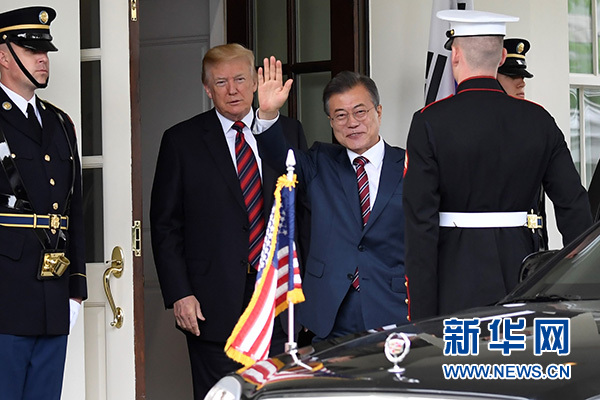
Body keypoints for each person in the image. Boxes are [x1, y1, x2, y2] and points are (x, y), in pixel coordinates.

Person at [403, 9, 593, 322]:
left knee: (465, 356)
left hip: (456, 281)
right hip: (526, 274)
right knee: (520, 353)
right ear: (502, 55)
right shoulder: (539, 120)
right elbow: (573, 206)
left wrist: (422, 316)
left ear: (455, 55)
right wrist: (580, 291)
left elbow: (420, 225)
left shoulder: (429, 122)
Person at [150, 43, 308, 400]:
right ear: (207, 89)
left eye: (240, 79)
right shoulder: (181, 141)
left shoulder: (288, 132)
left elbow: (304, 213)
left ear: (254, 83)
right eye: (221, 82)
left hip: (277, 298)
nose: (232, 90)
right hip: (211, 303)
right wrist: (180, 293)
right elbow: (165, 225)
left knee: (276, 394)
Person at [254, 57, 408, 342]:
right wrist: (267, 113)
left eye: (360, 112)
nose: (352, 123)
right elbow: (279, 157)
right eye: (340, 115)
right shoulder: (319, 162)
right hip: (330, 311)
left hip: (392, 307)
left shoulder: (410, 165)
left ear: (378, 111)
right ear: (331, 121)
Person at [0, 6, 87, 400]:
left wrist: (76, 287)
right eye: (31, 50)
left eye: (45, 51)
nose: (43, 59)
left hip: (52, 293)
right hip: (6, 291)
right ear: (4, 56)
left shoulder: (59, 123)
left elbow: (73, 211)